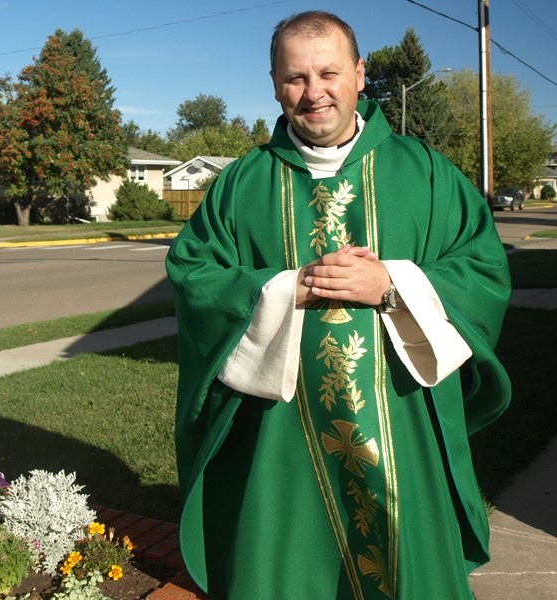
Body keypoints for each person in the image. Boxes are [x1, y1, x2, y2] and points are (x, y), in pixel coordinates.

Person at [165, 10, 511, 600]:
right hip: (281, 439)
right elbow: (195, 275)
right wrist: (282, 290)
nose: (313, 92)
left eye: (328, 72)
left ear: (359, 73)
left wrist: (392, 286)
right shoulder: (241, 184)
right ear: (275, 83)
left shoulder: (426, 174)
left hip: (400, 425)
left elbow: (482, 269)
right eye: (295, 77)